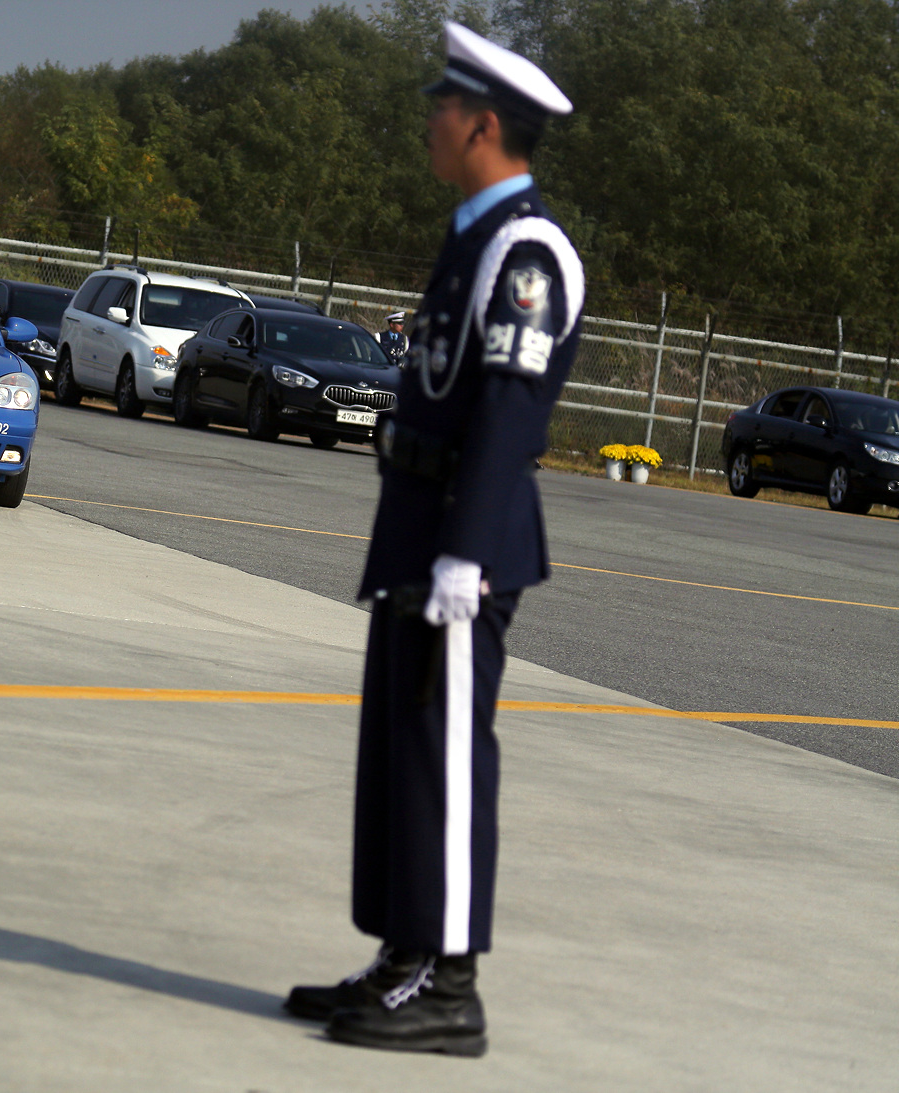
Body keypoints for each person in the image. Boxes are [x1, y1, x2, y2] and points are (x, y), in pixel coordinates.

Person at [285, 22, 583, 1058]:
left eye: (442, 108)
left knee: (446, 754)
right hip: (419, 525)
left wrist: (463, 552)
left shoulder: (523, 249)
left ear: (484, 125)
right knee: (400, 753)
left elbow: (504, 406)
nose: (428, 120)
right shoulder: (471, 232)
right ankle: (404, 954)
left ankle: (448, 985)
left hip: (468, 536)